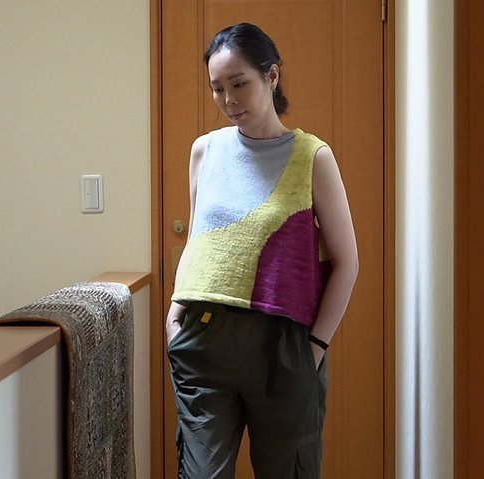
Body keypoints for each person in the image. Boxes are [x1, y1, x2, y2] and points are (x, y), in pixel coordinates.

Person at [165, 22, 358, 479]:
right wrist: (174, 316)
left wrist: (314, 347)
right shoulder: (205, 151)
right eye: (217, 88)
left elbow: (347, 262)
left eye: (239, 84)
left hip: (283, 347)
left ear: (272, 76)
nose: (228, 100)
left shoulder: (313, 156)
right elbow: (198, 239)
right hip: (204, 337)